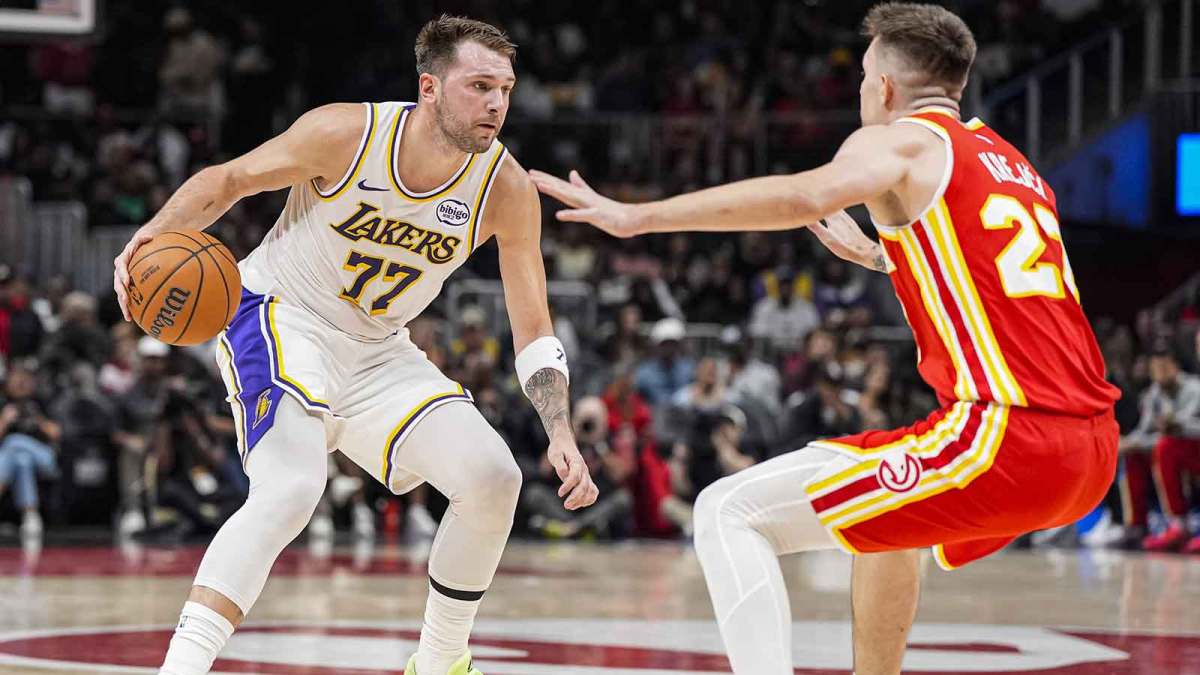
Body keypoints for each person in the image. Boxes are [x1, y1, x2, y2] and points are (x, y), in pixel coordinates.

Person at [531, 3, 1119, 673]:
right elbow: (998, 286)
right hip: (1092, 448)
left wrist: (640, 216)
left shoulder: (901, 140)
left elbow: (805, 196)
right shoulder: (1012, 165)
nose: (862, 89)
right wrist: (877, 257)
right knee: (889, 528)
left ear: (887, 87)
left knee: (726, 508)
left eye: (865, 75)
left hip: (1010, 438)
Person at [113, 16, 597, 675]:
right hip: (282, 314)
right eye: (479, 85)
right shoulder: (348, 132)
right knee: (291, 487)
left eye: (505, 88)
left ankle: (440, 660)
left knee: (493, 477)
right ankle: (184, 665)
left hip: (377, 351)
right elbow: (226, 180)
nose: (496, 104)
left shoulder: (506, 190)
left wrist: (560, 428)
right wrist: (149, 238)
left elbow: (534, 326)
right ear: (429, 87)